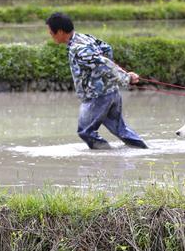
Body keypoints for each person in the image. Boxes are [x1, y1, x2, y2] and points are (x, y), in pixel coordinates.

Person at [46, 12, 148, 150]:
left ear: (60, 32)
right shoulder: (84, 38)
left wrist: (126, 78)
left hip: (96, 97)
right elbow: (107, 49)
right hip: (111, 93)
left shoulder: (78, 48)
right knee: (121, 130)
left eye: (51, 33)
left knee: (85, 131)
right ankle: (144, 150)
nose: (50, 36)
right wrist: (122, 75)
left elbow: (103, 63)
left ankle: (107, 156)